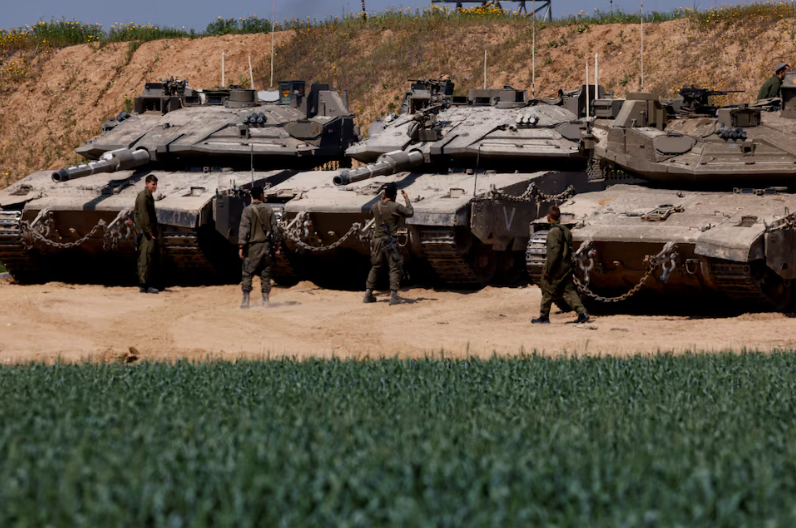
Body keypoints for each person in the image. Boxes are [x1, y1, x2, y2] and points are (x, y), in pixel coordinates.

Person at [531, 205, 590, 324]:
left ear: (549, 216)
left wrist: (548, 270)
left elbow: (554, 253)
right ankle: (582, 313)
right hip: (566, 265)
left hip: (557, 266)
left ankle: (544, 317)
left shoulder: (553, 232)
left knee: (547, 288)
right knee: (568, 290)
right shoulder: (566, 230)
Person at [364, 182, 413, 306]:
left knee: (376, 266)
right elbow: (409, 212)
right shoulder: (396, 206)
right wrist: (407, 199)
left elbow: (371, 212)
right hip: (390, 241)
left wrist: (382, 199)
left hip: (377, 240)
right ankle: (394, 296)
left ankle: (368, 294)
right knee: (394, 267)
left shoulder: (375, 206)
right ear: (395, 195)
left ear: (384, 194)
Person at [238, 186, 278, 309]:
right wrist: (276, 245)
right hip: (266, 246)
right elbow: (275, 229)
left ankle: (245, 301)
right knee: (266, 273)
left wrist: (241, 246)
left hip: (252, 247)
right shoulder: (269, 209)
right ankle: (265, 301)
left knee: (247, 273)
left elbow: (244, 228)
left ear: (252, 196)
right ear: (261, 195)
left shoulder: (247, 210)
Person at [134, 174, 160, 294]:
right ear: (147, 183)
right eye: (153, 184)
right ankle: (144, 285)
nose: (155, 187)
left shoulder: (149, 196)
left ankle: (148, 282)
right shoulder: (143, 197)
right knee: (145, 257)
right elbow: (144, 216)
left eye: (155, 184)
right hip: (145, 231)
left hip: (148, 230)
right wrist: (149, 232)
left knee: (150, 256)